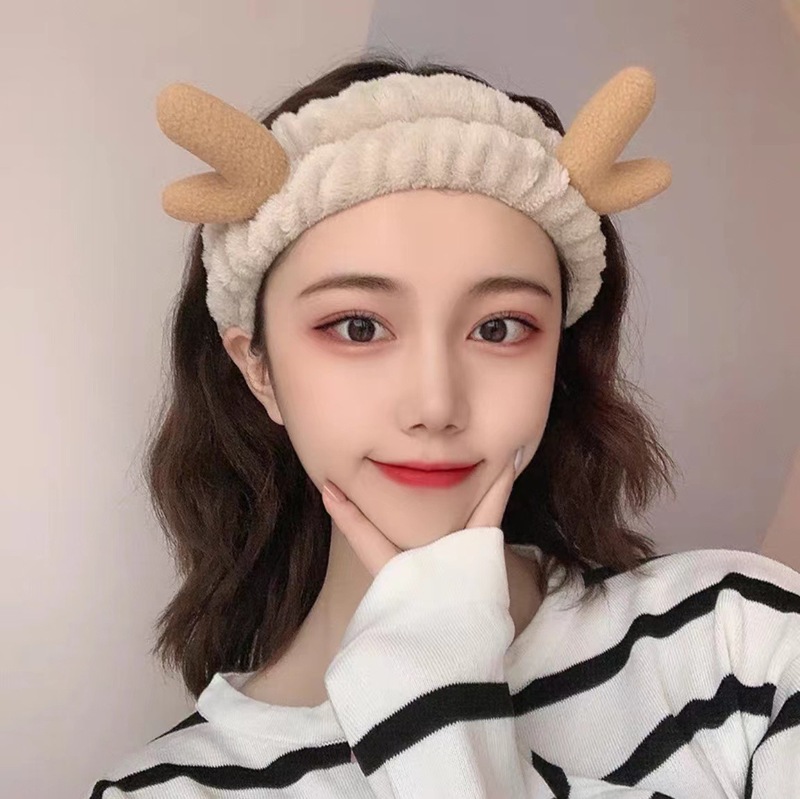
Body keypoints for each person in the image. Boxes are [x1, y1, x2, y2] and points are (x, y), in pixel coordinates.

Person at [87, 52, 800, 798]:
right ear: (258, 368)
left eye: (499, 328)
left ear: (557, 357)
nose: (435, 404)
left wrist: (442, 720)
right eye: (358, 326)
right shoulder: (164, 791)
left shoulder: (742, 644)